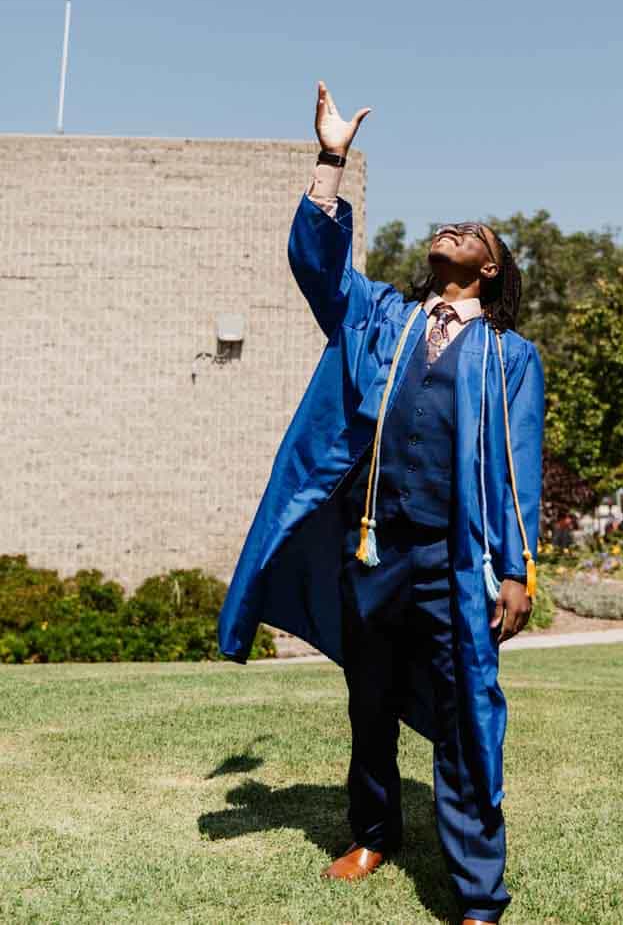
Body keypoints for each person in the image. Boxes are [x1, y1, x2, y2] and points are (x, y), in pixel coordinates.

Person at [218, 83, 544, 925]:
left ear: (491, 267)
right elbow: (318, 270)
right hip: (374, 549)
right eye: (448, 225)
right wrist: (331, 160)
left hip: (451, 560)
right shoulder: (383, 321)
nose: (453, 230)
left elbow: (517, 469)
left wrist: (517, 570)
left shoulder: (509, 357)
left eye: (473, 233)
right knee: (368, 699)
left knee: (469, 714)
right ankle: (372, 831)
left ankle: (476, 892)